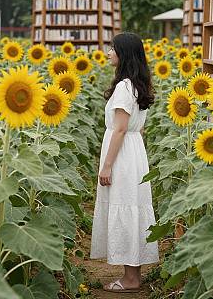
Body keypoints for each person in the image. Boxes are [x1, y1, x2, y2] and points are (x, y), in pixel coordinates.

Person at [90, 32, 159, 293]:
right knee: (132, 208)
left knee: (125, 207)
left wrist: (107, 165)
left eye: (113, 49)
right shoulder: (136, 85)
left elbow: (119, 129)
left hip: (122, 155)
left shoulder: (123, 87)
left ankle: (130, 280)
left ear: (124, 54)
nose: (108, 53)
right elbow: (133, 129)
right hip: (133, 153)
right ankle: (133, 275)